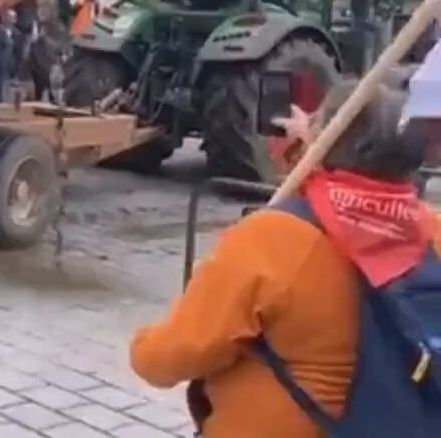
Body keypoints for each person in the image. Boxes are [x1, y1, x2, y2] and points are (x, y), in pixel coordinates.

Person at [131, 80, 440, 438]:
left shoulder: (274, 239)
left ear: (327, 140)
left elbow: (172, 357)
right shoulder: (430, 230)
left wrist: (141, 345)